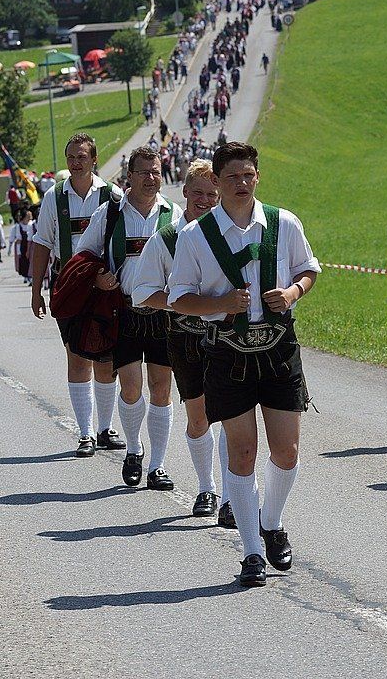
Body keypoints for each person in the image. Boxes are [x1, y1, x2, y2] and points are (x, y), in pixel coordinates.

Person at [168, 142, 320, 586]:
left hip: (278, 349)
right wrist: (220, 303)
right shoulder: (195, 236)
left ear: (258, 177)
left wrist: (292, 292)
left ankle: (271, 523)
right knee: (243, 452)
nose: (241, 183)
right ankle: (251, 551)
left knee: (287, 451)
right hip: (227, 353)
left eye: (248, 174)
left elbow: (309, 269)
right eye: (232, 176)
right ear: (217, 182)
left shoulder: (283, 222)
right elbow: (179, 299)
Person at [132, 160, 234, 523]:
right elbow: (142, 292)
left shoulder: (231, 233)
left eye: (212, 194)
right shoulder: (167, 238)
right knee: (199, 416)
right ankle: (207, 488)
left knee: (232, 416)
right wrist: (181, 302)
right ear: (185, 192)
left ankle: (231, 497)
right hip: (185, 337)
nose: (204, 200)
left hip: (228, 336)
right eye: (198, 193)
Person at [77, 146, 182, 490]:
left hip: (163, 314)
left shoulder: (174, 214)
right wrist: (97, 276)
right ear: (129, 176)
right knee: (132, 387)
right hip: (123, 311)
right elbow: (83, 254)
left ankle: (157, 465)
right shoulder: (110, 214)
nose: (151, 178)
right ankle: (134, 449)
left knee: (161, 388)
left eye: (156, 171)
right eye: (144, 172)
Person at [31, 132, 125, 458]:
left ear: (94, 159)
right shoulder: (54, 197)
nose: (75, 163)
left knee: (107, 357)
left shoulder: (113, 195)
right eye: (71, 157)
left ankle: (104, 429)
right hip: (68, 284)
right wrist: (36, 291)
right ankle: (85, 433)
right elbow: (42, 243)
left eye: (82, 156)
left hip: (104, 287)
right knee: (77, 356)